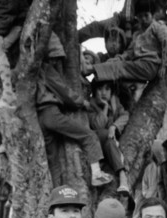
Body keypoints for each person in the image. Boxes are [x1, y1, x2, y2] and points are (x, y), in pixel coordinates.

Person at [36, 35, 112, 188]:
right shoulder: (47, 69)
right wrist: (82, 102)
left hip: (40, 116)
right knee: (88, 135)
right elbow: (64, 92)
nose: (56, 62)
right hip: (52, 112)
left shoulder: (34, 71)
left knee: (53, 158)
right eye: (54, 58)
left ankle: (55, 192)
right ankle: (97, 174)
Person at [92, 0, 167, 84]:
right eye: (140, 16)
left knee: (120, 68)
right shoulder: (137, 34)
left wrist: (164, 65)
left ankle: (91, 69)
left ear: (152, 15)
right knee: (118, 71)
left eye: (146, 15)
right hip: (138, 64)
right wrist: (117, 59)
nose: (143, 19)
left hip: (150, 65)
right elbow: (130, 52)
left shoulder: (157, 27)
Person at [86, 80, 130, 194]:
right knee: (105, 134)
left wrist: (114, 126)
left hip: (108, 144)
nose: (104, 93)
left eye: (107, 89)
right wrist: (105, 108)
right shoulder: (90, 104)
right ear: (95, 91)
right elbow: (98, 125)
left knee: (110, 142)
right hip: (95, 145)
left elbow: (125, 115)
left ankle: (122, 177)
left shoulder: (115, 102)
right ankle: (122, 175)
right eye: (100, 89)